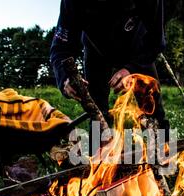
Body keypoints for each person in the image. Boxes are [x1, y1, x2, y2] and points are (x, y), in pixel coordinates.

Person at [50, 0, 169, 132]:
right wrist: (64, 78)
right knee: (97, 112)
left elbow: (156, 41)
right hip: (96, 51)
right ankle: (99, 149)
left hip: (137, 48)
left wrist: (132, 68)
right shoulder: (72, 2)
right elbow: (60, 48)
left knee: (152, 106)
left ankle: (164, 146)